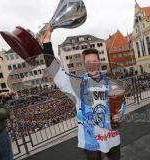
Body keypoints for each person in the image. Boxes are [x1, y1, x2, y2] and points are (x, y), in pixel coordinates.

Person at [39, 25, 126, 160]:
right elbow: (54, 69)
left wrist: (120, 113)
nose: (92, 64)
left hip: (111, 135)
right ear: (84, 64)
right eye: (88, 62)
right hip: (90, 138)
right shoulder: (76, 83)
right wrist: (47, 43)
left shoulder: (111, 83)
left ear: (99, 62)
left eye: (94, 61)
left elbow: (122, 102)